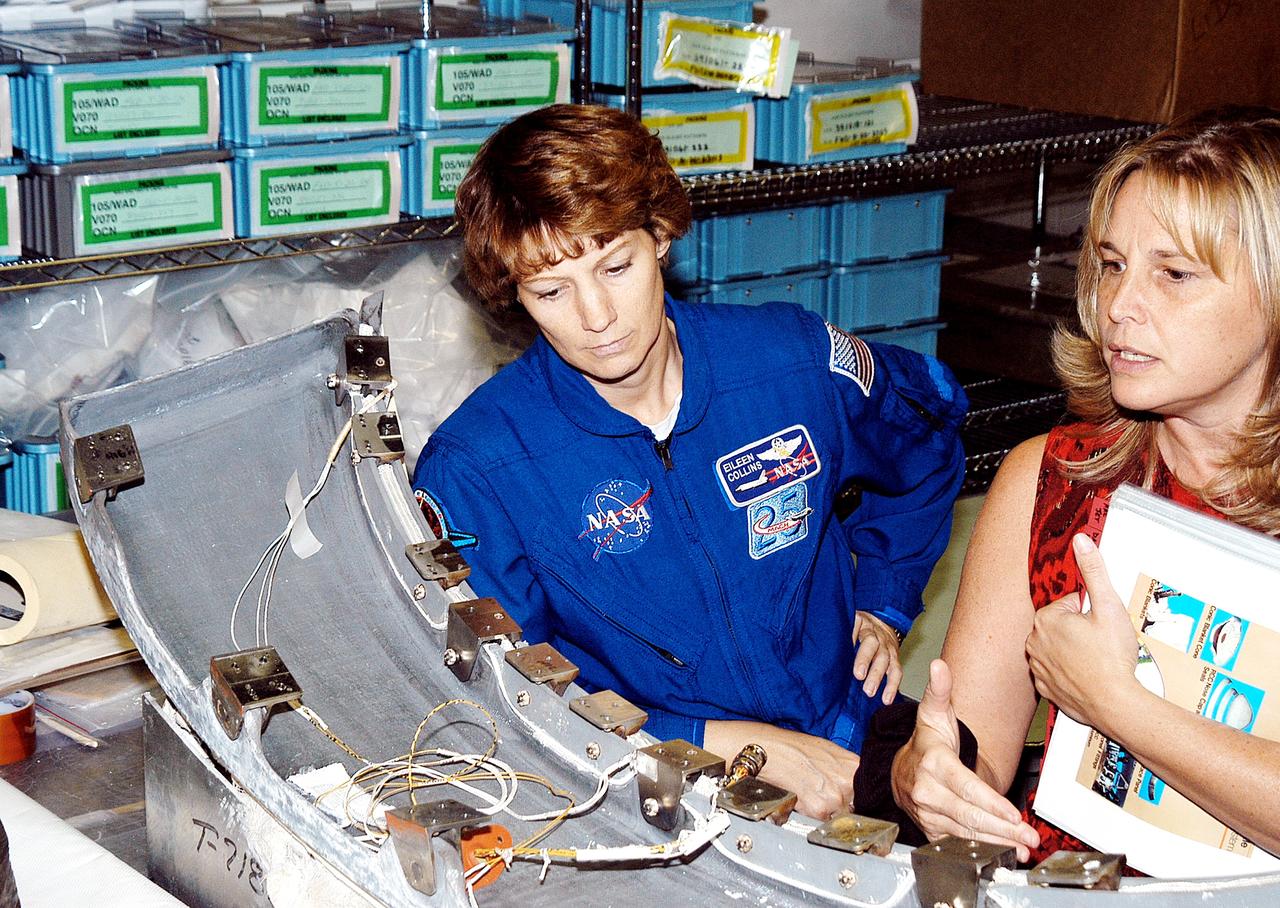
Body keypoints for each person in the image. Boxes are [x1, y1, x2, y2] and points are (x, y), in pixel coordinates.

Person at [411, 103, 968, 818]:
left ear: (662, 236)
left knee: (973, 810)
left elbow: (926, 432)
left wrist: (886, 598)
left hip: (842, 719)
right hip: (639, 775)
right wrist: (712, 741)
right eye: (551, 291)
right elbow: (501, 693)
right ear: (513, 293)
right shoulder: (478, 467)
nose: (597, 317)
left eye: (616, 266)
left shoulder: (790, 360)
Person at [872, 109, 1280, 862]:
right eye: (1113, 264)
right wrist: (924, 776)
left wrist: (1119, 705)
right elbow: (971, 757)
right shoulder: (1050, 479)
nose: (1120, 306)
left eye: (1175, 274)